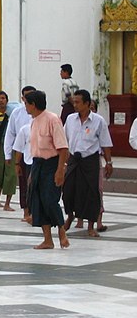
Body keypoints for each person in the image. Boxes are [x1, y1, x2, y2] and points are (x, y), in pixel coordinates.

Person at [62, 89, 113, 237]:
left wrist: (108, 162)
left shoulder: (98, 121)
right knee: (68, 190)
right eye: (74, 102)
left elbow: (105, 143)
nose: (75, 105)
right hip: (73, 159)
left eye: (78, 102)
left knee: (91, 193)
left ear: (87, 103)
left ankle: (91, 225)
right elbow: (64, 140)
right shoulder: (70, 119)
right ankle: (70, 215)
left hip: (90, 160)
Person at [25, 90, 70, 250]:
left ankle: (62, 231)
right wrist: (32, 173)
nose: (25, 107)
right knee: (38, 201)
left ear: (33, 104)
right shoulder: (34, 121)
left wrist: (60, 170)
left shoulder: (53, 120)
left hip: (52, 163)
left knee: (50, 199)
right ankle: (47, 239)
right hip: (37, 164)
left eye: (26, 104)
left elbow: (63, 148)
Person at [4, 85, 37, 218]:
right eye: (27, 96)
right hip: (22, 153)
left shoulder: (43, 114)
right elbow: (10, 134)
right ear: (22, 98)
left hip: (39, 153)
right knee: (24, 183)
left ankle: (37, 210)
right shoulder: (16, 114)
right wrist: (8, 154)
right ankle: (26, 211)